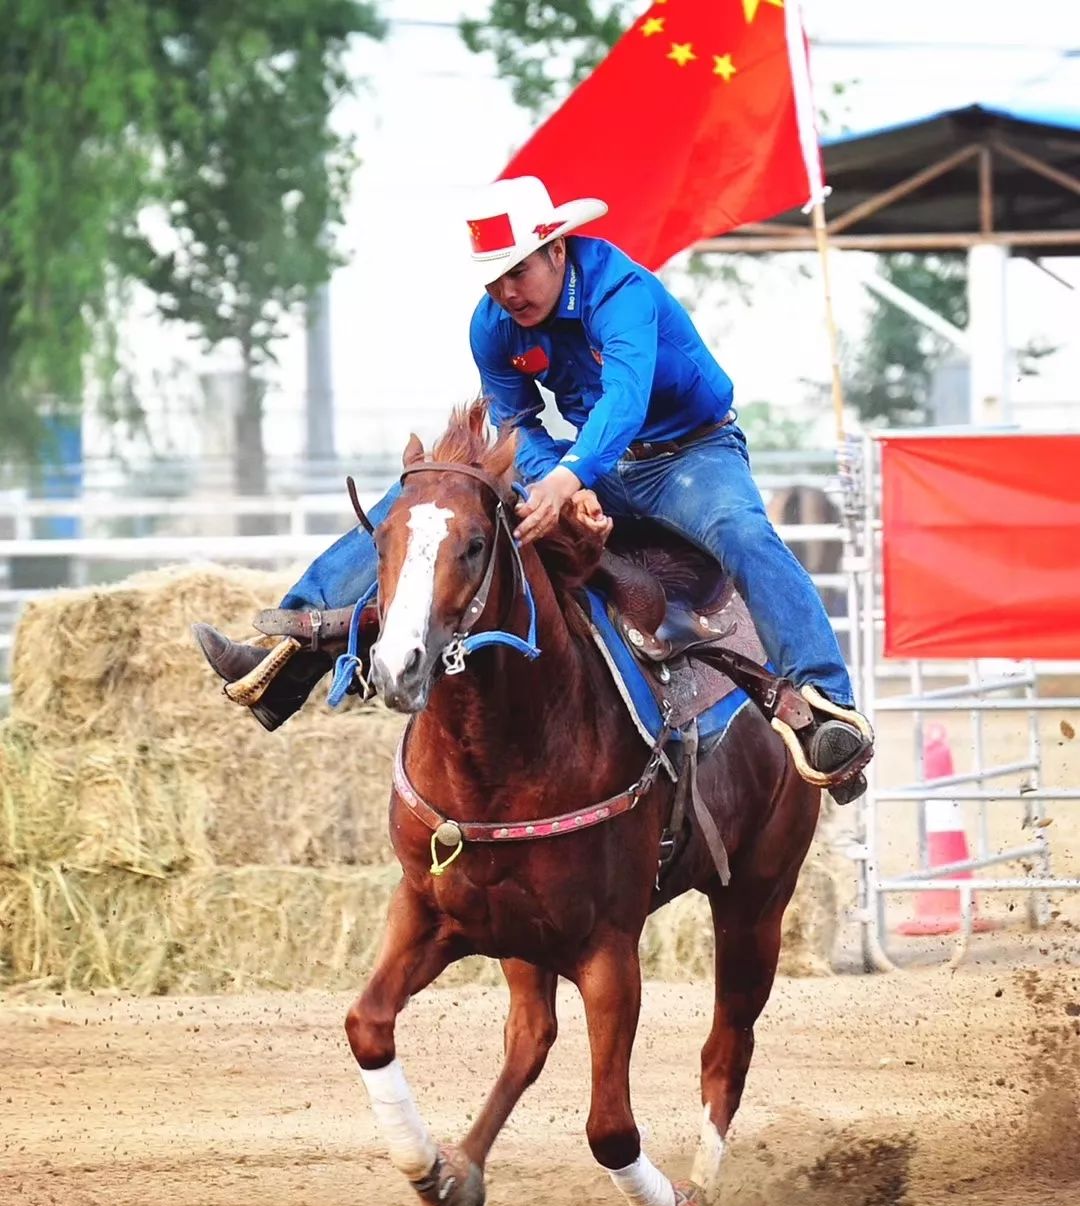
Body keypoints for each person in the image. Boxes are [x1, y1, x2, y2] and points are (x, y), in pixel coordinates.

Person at [196, 175, 872, 801]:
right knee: (430, 501)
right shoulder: (491, 327)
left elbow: (625, 398)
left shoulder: (621, 292)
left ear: (554, 251)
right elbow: (515, 419)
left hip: (689, 455)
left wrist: (569, 476)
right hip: (587, 464)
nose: (507, 293)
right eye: (493, 282)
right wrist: (562, 476)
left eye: (517, 271)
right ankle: (285, 661)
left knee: (742, 533)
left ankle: (823, 708)